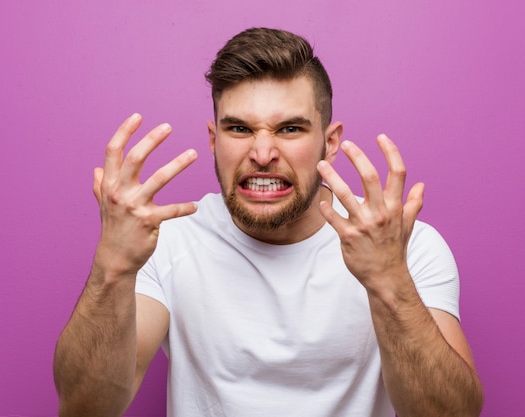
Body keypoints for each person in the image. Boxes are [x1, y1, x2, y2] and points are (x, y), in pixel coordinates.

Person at [53, 27, 483, 417]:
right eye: (239, 128)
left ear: (329, 143)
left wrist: (390, 282)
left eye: (290, 129)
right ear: (213, 139)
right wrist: (113, 267)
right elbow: (87, 407)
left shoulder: (408, 247)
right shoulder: (163, 242)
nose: (261, 153)